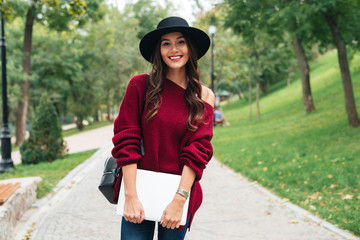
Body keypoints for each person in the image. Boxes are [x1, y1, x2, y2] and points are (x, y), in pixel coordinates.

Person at [111, 16, 215, 240]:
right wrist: (130, 195)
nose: (174, 49)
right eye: (166, 43)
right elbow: (126, 139)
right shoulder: (139, 86)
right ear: (158, 50)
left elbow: (199, 150)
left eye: (181, 42)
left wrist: (179, 200)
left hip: (178, 194)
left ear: (190, 48)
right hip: (138, 191)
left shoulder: (204, 96)